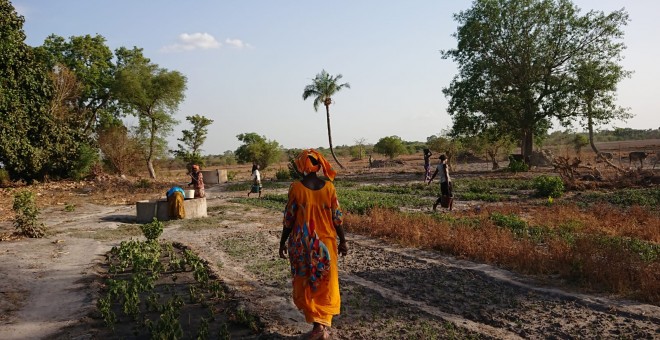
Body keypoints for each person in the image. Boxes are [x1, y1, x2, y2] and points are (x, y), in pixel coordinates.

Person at [279, 149, 348, 340]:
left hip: (303, 245)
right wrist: (342, 240)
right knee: (325, 283)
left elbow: (289, 219)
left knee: (308, 283)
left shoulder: (296, 188)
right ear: (318, 165)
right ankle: (321, 327)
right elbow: (337, 218)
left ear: (302, 166)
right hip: (326, 244)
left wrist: (282, 242)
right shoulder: (329, 188)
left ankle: (319, 328)